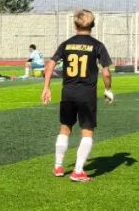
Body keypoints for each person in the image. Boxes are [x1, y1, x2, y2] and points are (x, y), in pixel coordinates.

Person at [40, 10, 114, 183]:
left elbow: (50, 65)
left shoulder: (66, 44)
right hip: (86, 94)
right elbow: (106, 72)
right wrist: (108, 89)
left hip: (68, 92)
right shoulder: (97, 45)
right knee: (87, 132)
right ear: (93, 25)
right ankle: (78, 171)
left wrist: (46, 87)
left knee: (65, 128)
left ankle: (58, 166)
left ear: (75, 25)